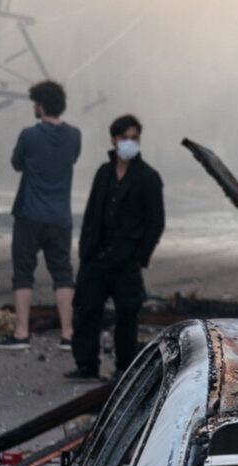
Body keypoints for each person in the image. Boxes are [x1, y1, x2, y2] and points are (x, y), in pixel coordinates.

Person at [68, 114, 165, 382]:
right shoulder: (104, 173)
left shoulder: (148, 177)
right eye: (125, 138)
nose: (130, 143)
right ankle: (86, 364)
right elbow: (91, 214)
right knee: (87, 310)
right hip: (96, 258)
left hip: (126, 261)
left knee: (127, 316)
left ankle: (124, 367)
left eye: (134, 138)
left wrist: (139, 256)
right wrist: (85, 249)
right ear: (114, 140)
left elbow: (155, 222)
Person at [0, 79, 79, 351]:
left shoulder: (29, 135)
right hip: (60, 217)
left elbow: (16, 163)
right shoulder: (74, 136)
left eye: (35, 103)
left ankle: (21, 333)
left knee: (23, 273)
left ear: (41, 106)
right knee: (63, 273)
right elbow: (72, 159)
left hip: (29, 214)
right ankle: (68, 334)